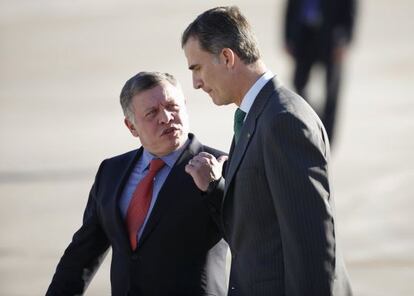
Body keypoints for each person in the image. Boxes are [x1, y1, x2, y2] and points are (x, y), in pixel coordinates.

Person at [182, 6, 352, 296]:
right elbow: (257, 228)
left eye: (197, 68)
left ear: (226, 57)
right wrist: (214, 188)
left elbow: (311, 243)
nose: (196, 83)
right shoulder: (256, 114)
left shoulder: (283, 121)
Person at [46, 71, 228, 296]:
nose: (166, 117)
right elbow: (81, 255)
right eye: (151, 113)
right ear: (131, 127)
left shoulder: (219, 166)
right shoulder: (111, 171)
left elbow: (248, 236)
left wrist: (214, 186)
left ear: (185, 105)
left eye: (172, 106)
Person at [284, 0, 357, 144]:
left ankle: (327, 141)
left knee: (331, 92)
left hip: (332, 38)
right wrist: (287, 37)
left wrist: (345, 39)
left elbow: (350, 8)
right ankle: (311, 125)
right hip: (304, 35)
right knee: (298, 83)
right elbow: (291, 6)